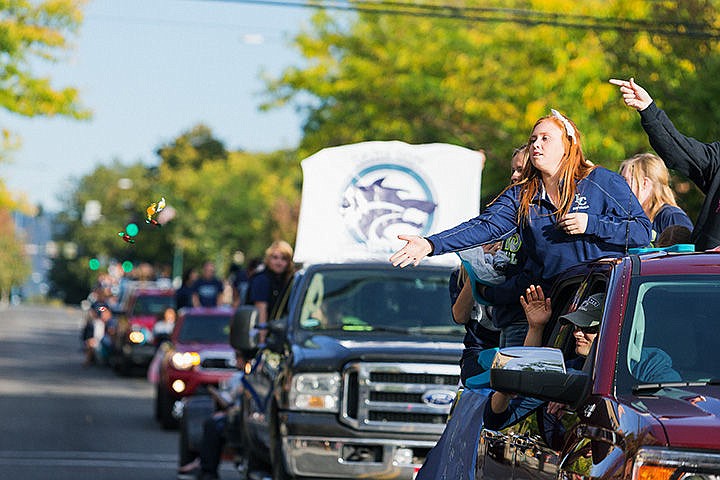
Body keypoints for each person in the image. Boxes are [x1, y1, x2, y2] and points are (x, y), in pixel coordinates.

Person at [390, 109, 652, 291]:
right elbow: (484, 227)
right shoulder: (522, 194)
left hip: (602, 297)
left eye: (546, 139)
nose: (536, 145)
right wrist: (431, 244)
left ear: (568, 146)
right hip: (552, 304)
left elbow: (642, 231)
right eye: (533, 139)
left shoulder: (600, 181)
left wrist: (592, 223)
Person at [485, 287, 681, 436]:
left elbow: (670, 411)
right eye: (576, 326)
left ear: (616, 331)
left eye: (589, 328)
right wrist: (536, 328)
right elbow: (496, 420)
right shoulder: (567, 372)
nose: (577, 333)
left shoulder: (651, 364)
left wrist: (582, 396)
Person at [610, 77, 720, 250]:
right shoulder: (717, 161)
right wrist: (648, 109)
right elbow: (678, 149)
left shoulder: (670, 215)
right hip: (710, 272)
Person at [619, 152, 693, 245]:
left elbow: (687, 257)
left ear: (645, 183)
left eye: (625, 180)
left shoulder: (673, 217)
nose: (619, 186)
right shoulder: (632, 219)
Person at [449, 264, 499, 386]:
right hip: (478, 350)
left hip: (510, 347)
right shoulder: (460, 274)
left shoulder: (514, 270)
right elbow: (460, 317)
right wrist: (475, 272)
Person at [245, 240, 295, 343]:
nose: (279, 262)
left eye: (284, 258)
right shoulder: (261, 279)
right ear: (268, 259)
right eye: (275, 257)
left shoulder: (290, 280)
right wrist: (262, 341)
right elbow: (261, 312)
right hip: (261, 339)